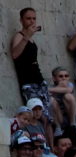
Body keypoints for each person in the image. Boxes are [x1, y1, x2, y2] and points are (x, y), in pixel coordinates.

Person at [11, 8, 57, 138]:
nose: (32, 21)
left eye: (34, 18)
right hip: (28, 82)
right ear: (21, 20)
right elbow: (15, 54)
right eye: (28, 18)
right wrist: (26, 37)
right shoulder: (19, 36)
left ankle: (51, 149)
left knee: (47, 118)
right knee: (36, 116)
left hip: (38, 80)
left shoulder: (31, 39)